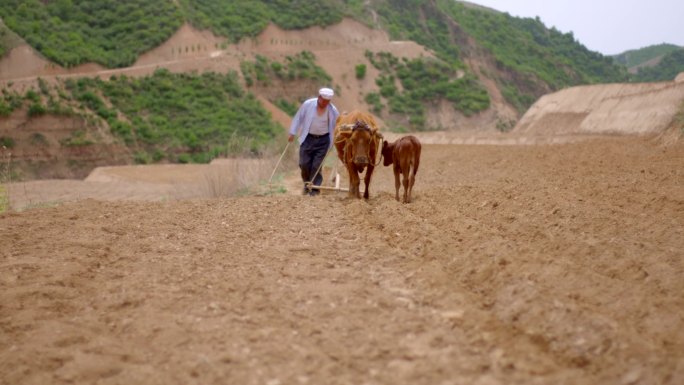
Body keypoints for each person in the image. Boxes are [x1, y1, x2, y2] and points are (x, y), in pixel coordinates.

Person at [288, 87, 340, 196]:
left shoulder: (332, 110)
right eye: (323, 101)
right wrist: (292, 132)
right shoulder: (308, 104)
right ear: (319, 97)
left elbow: (338, 124)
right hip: (308, 138)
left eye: (327, 102)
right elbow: (298, 118)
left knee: (316, 165)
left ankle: (315, 190)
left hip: (323, 141)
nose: (324, 103)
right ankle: (307, 185)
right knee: (304, 164)